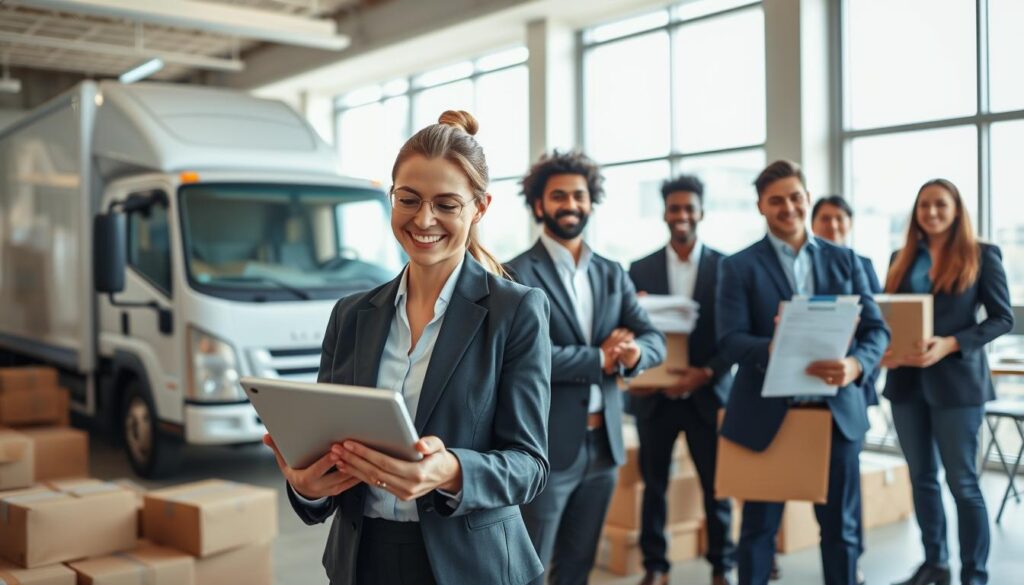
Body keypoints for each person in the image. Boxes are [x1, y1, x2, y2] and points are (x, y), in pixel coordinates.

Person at [265, 110, 553, 585]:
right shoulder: (351, 314)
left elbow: (530, 465)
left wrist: (451, 469)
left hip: (471, 564)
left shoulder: (515, 310)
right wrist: (309, 486)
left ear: (479, 208)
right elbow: (328, 449)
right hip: (363, 561)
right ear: (391, 198)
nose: (424, 219)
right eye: (409, 199)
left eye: (446, 204)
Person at [716, 160, 889, 585]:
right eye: (776, 200)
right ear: (761, 206)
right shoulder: (738, 267)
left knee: (842, 532)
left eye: (795, 197)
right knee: (758, 532)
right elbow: (728, 340)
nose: (788, 207)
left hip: (836, 415)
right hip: (766, 415)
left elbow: (876, 330)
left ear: (807, 199)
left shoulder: (846, 261)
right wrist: (770, 347)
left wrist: (855, 365)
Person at [508, 149, 666, 585]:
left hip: (605, 447)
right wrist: (601, 358)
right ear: (539, 204)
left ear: (590, 202)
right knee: (529, 566)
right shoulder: (515, 274)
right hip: (545, 449)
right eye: (559, 196)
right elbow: (525, 359)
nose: (571, 205)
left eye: (579, 196)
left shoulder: (612, 273)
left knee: (579, 566)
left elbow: (653, 338)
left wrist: (633, 355)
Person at [882, 179, 1013, 585]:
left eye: (940, 204)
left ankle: (974, 574)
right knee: (921, 478)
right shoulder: (900, 258)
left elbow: (1001, 318)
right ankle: (934, 564)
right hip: (906, 382)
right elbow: (889, 315)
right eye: (924, 205)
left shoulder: (982, 254)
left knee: (963, 483)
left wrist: (951, 343)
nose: (932, 212)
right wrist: (885, 346)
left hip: (957, 386)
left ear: (957, 210)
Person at [627, 174, 736, 585]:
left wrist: (704, 374)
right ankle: (656, 566)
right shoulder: (639, 269)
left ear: (701, 212)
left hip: (706, 393)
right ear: (665, 214)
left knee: (716, 487)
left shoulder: (726, 267)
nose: (682, 215)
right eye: (675, 208)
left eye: (689, 207)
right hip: (655, 398)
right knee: (654, 487)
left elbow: (734, 335)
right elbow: (629, 331)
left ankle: (722, 564)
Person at [810, 194, 882, 585]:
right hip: (807, 384)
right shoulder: (807, 262)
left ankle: (853, 558)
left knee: (845, 496)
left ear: (849, 224)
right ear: (814, 222)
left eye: (840, 220)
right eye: (825, 219)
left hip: (851, 385)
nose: (833, 226)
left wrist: (858, 370)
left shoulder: (861, 265)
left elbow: (875, 327)